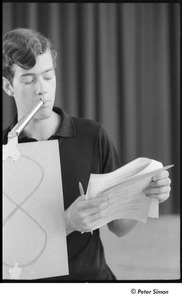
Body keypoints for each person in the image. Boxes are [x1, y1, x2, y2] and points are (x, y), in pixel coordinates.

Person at [2, 28, 171, 281]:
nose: (42, 90)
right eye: (28, 80)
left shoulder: (92, 136)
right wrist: (67, 222)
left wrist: (147, 197)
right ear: (8, 86)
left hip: (94, 282)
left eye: (48, 76)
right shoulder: (5, 150)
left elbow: (119, 227)